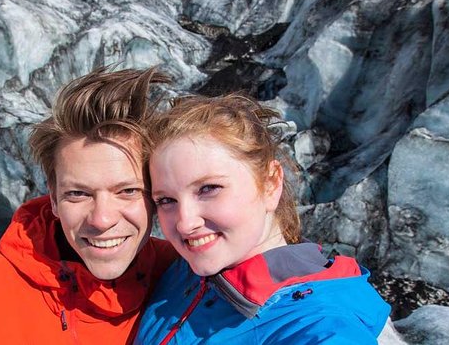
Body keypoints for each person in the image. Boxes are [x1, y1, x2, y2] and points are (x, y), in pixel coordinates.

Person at [0, 67, 177, 344]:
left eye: (128, 191)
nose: (102, 219)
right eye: (79, 194)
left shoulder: (186, 278)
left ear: (155, 195)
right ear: (54, 197)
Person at [136, 94, 390, 344]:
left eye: (208, 188)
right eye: (166, 200)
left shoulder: (317, 326)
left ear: (270, 183)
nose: (184, 223)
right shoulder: (183, 273)